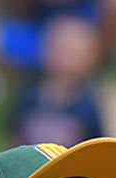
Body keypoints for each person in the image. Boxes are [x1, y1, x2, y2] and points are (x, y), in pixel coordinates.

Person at [6, 11, 105, 147]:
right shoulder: (28, 98)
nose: (66, 57)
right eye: (60, 48)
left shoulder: (91, 105)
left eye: (73, 51)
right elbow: (12, 139)